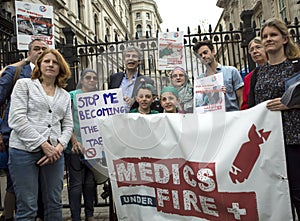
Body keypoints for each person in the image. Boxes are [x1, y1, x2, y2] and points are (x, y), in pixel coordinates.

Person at [8, 48, 73, 220]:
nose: (51, 64)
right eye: (47, 61)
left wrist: (58, 148)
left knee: (54, 204)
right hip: (23, 152)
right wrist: (44, 145)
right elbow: (16, 119)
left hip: (54, 156)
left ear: (61, 67)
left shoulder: (65, 95)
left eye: (55, 62)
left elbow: (67, 125)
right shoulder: (24, 85)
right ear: (39, 64)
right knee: (28, 206)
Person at [248, 18, 300, 220]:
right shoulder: (257, 74)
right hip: (268, 144)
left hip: (294, 140)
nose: (268, 39)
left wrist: (292, 104)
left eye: (273, 35)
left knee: (297, 192)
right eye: (265, 36)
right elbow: (252, 109)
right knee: (274, 196)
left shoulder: (296, 67)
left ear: (285, 39)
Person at [0, 38, 48, 221]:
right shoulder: (16, 72)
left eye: (44, 48)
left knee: (43, 185)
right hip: (16, 138)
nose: (41, 51)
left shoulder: (52, 75)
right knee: (15, 186)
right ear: (29, 53)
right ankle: (9, 217)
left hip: (45, 139)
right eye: (37, 48)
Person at [65, 68, 99, 221]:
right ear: (82, 80)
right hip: (75, 147)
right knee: (76, 184)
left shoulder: (99, 98)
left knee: (90, 184)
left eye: (94, 78)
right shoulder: (71, 96)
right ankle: (75, 216)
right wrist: (74, 141)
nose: (91, 80)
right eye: (88, 77)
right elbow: (66, 120)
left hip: (94, 148)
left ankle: (90, 215)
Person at [193, 40, 244, 111]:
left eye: (205, 52)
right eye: (200, 55)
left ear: (213, 51)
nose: (203, 56)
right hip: (212, 119)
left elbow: (241, 98)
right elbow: (200, 104)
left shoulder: (231, 71)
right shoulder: (200, 80)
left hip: (232, 117)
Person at [108, 46, 155, 112]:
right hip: (116, 118)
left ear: (139, 61)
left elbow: (151, 103)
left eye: (134, 56)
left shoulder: (147, 81)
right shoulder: (114, 78)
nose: (131, 58)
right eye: (128, 56)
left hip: (136, 118)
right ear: (124, 60)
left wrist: (135, 100)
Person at [241, 37, 268, 110]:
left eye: (258, 47)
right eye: (251, 50)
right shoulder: (248, 78)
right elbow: (245, 104)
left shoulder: (278, 68)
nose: (254, 51)